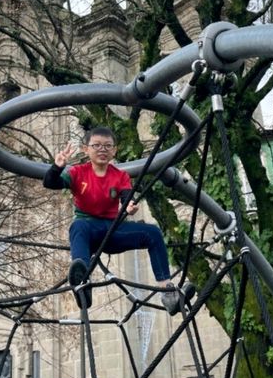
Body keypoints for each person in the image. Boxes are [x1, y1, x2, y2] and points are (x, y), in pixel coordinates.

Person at [43, 126, 183, 313]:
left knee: (154, 233)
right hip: (89, 228)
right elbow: (50, 183)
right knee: (78, 226)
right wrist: (57, 166)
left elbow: (126, 197)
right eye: (97, 146)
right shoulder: (78, 173)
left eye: (108, 146)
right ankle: (82, 279)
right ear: (86, 149)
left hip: (113, 229)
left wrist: (130, 206)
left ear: (114, 150)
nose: (102, 150)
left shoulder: (119, 175)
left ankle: (167, 291)